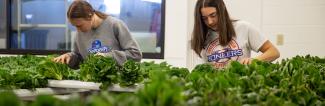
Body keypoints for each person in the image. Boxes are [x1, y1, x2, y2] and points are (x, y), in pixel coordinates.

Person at [191, 0, 280, 68]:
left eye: (213, 15)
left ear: (222, 11)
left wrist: (254, 61)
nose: (210, 22)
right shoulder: (201, 37)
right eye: (204, 18)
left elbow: (274, 52)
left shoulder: (243, 27)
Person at [53, 0, 142, 68]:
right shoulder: (80, 32)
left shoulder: (115, 25)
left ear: (90, 16)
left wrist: (107, 56)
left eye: (80, 25)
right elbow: (80, 58)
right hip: (91, 85)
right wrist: (69, 57)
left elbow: (135, 55)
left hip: (117, 85)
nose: (77, 30)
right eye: (75, 26)